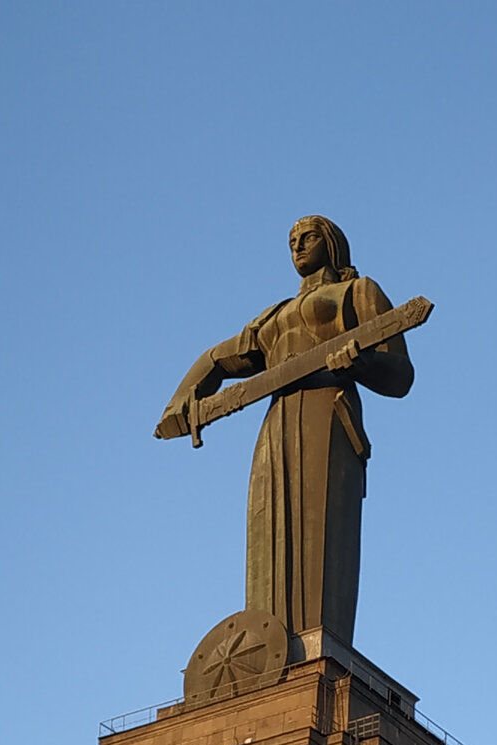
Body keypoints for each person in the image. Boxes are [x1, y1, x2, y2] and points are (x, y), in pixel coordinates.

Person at [175, 216, 414, 646]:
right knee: (267, 530)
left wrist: (361, 364)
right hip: (277, 422)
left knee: (322, 529)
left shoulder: (357, 291)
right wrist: (182, 401)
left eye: (308, 237)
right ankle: (266, 642)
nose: (298, 246)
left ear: (332, 244)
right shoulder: (274, 316)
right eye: (291, 241)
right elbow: (216, 358)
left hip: (329, 413)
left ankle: (320, 643)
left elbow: (401, 375)